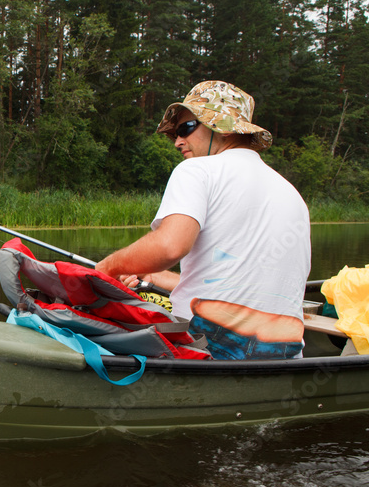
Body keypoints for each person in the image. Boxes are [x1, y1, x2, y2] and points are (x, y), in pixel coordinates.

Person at [95, 80, 311, 359]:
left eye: (186, 128)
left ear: (221, 126)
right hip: (285, 356)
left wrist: (107, 268)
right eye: (175, 133)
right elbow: (240, 282)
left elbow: (170, 247)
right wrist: (151, 275)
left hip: (205, 351)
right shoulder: (292, 193)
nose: (177, 141)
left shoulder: (197, 170)